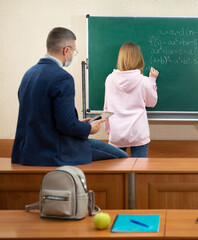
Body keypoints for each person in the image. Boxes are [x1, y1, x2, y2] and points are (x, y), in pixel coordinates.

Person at [11, 27, 128, 166]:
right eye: (74, 50)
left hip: (27, 152)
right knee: (123, 156)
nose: (73, 54)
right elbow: (66, 125)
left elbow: (44, 117)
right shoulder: (62, 77)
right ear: (66, 50)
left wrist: (79, 124)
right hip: (54, 151)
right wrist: (89, 129)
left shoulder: (29, 74)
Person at [104, 42, 159, 157]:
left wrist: (109, 131)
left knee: (118, 172)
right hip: (138, 133)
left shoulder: (110, 79)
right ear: (139, 58)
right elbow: (152, 103)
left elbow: (106, 108)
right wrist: (152, 80)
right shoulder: (144, 81)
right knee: (138, 170)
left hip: (116, 132)